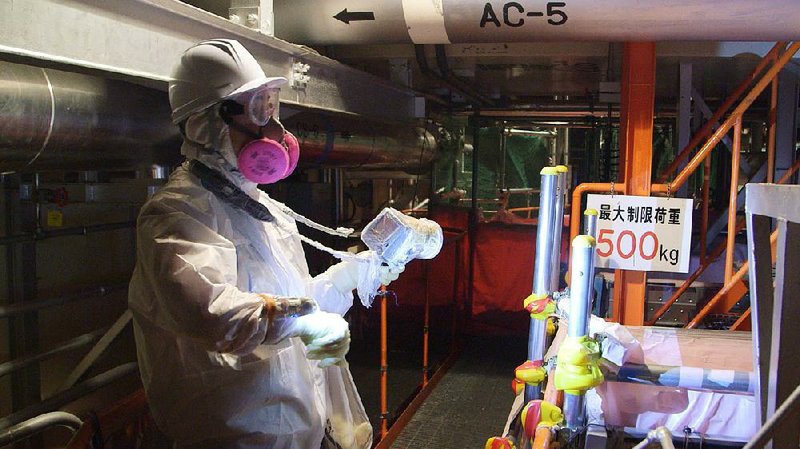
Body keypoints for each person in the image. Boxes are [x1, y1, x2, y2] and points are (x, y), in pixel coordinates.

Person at [128, 38, 402, 449]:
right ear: (208, 125)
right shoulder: (177, 215)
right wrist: (307, 320)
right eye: (258, 110)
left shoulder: (261, 206)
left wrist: (348, 277)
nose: (274, 130)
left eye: (272, 106)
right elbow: (214, 314)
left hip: (300, 430)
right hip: (235, 440)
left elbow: (292, 301)